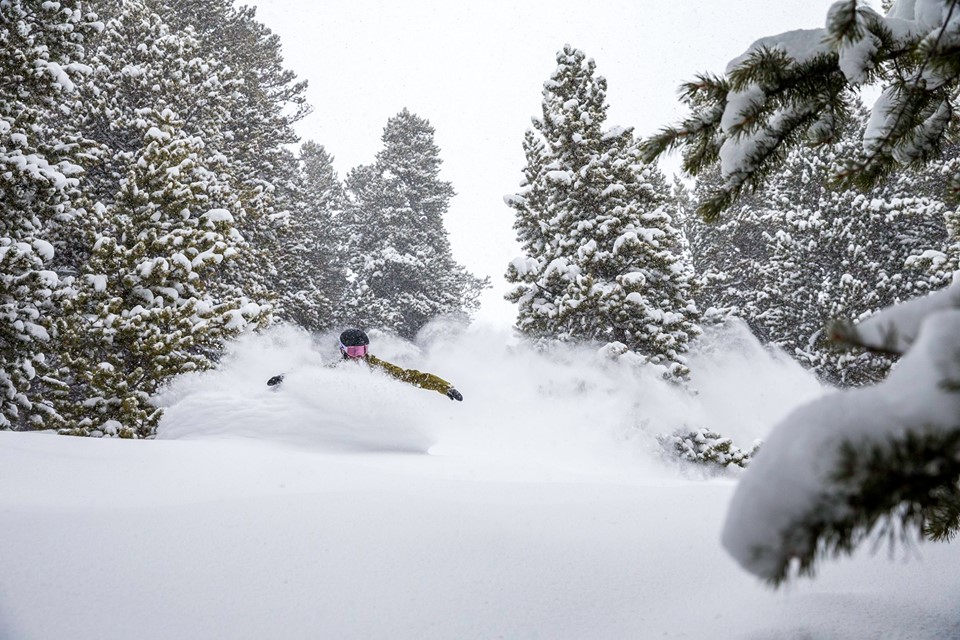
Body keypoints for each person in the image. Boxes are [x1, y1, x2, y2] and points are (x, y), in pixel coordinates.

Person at [267, 328, 463, 402]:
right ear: (343, 350)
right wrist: (285, 377)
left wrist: (445, 387)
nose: (358, 357)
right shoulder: (336, 370)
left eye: (362, 351)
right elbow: (311, 375)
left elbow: (412, 376)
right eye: (354, 352)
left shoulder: (377, 367)